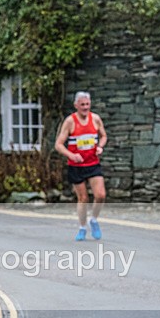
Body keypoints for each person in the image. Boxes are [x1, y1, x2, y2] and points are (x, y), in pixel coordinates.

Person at [54, 91, 108, 241]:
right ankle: (82, 227)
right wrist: (71, 155)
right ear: (76, 105)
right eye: (82, 104)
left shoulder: (95, 119)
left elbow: (103, 136)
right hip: (76, 166)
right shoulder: (70, 121)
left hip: (92, 164)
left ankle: (94, 220)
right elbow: (58, 145)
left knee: (100, 195)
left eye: (87, 104)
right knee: (83, 198)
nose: (85, 107)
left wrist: (100, 147)